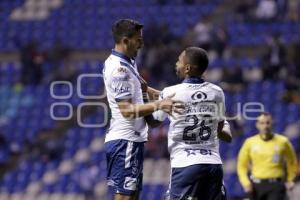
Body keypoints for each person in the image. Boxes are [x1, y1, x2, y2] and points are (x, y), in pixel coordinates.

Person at [102, 19, 183, 200]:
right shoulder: (119, 70)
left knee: (133, 195)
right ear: (125, 40)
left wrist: (165, 95)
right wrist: (159, 105)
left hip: (131, 140)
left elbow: (143, 88)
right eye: (138, 39)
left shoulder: (127, 62)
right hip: (125, 140)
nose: (142, 43)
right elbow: (127, 110)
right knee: (125, 196)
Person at [149, 47, 232, 200]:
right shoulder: (217, 92)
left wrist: (144, 105)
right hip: (213, 164)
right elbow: (221, 128)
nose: (176, 63)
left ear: (187, 68)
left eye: (179, 60)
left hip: (186, 164)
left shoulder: (170, 92)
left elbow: (154, 122)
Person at [237, 112, 297, 200]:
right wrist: (246, 182)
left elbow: (292, 161)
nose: (265, 126)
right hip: (256, 186)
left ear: (272, 123)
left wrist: (290, 179)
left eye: (268, 122)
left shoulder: (283, 141)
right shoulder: (250, 142)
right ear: (257, 125)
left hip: (276, 185)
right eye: (262, 123)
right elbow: (241, 165)